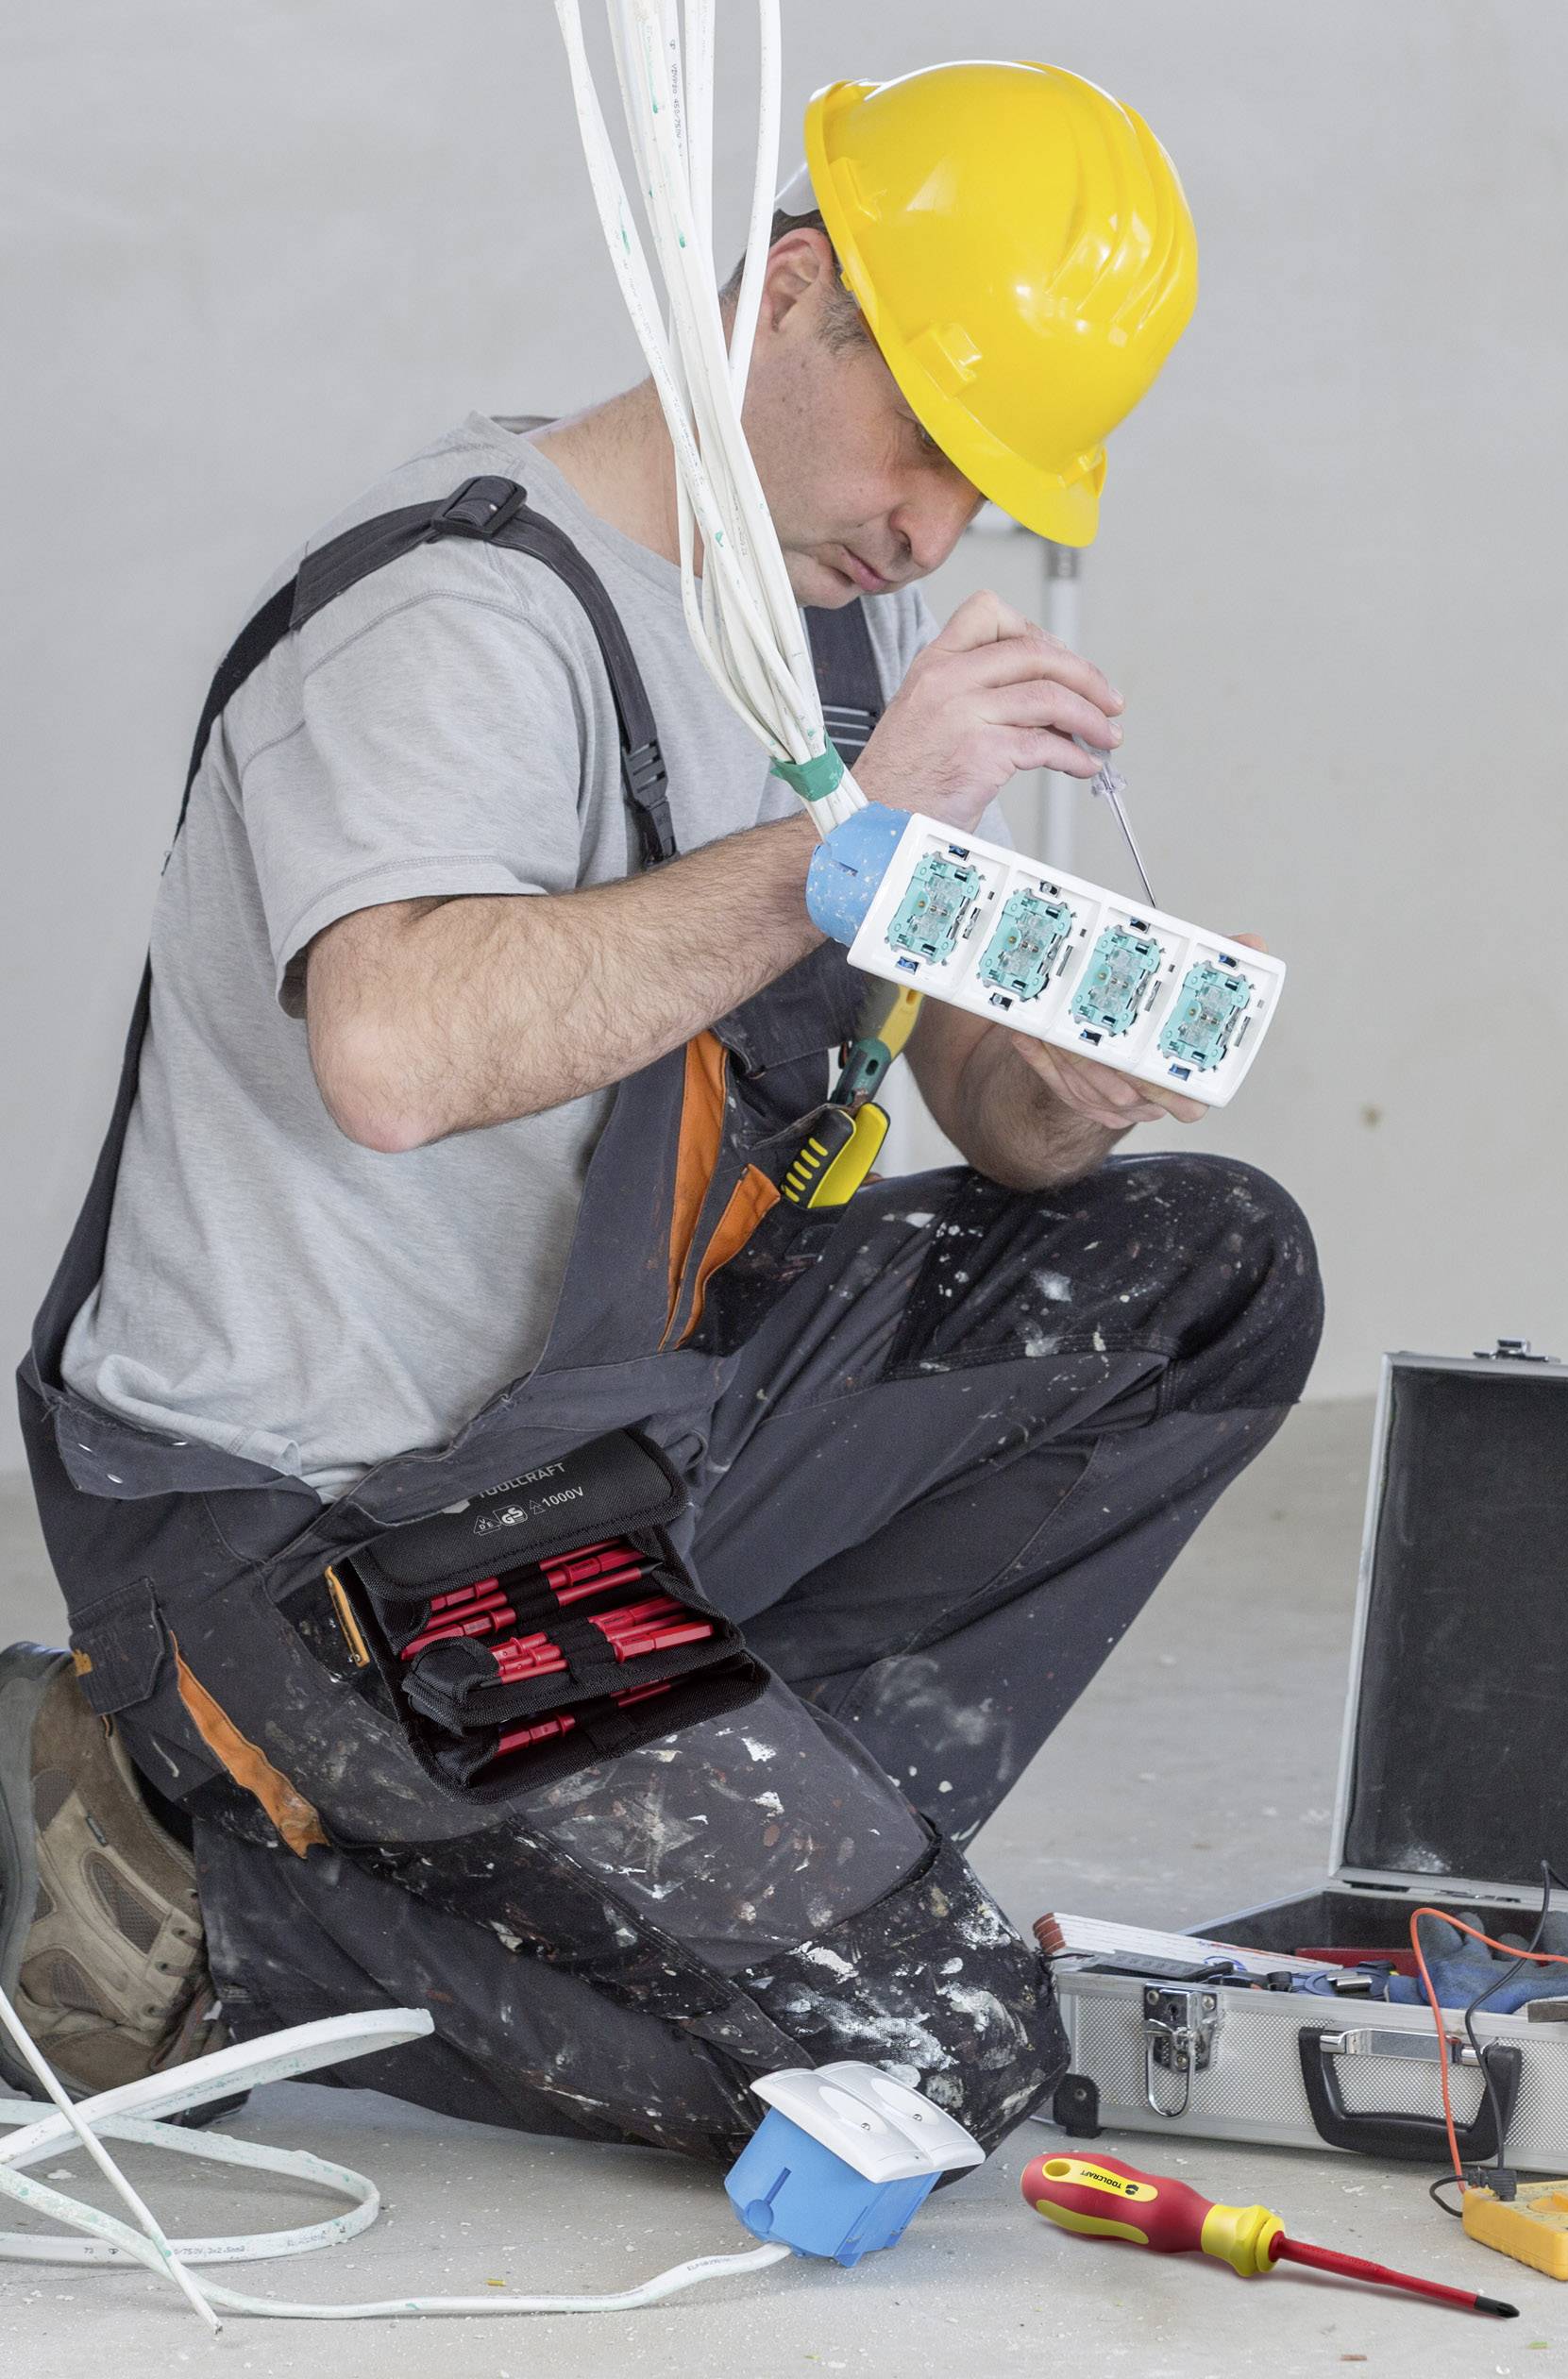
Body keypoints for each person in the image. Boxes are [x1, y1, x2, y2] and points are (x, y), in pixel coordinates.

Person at [3, 60, 1321, 2158]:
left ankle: (686, 1860)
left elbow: (938, 1076)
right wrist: (849, 839)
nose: (928, 525)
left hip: (629, 1443)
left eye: (987, 485)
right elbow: (399, 1053)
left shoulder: (825, 625)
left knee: (1213, 1263)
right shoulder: (456, 619)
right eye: (928, 442)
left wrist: (1051, 1091)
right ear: (789, 291)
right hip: (349, 1536)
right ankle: (206, 1908)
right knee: (921, 2065)